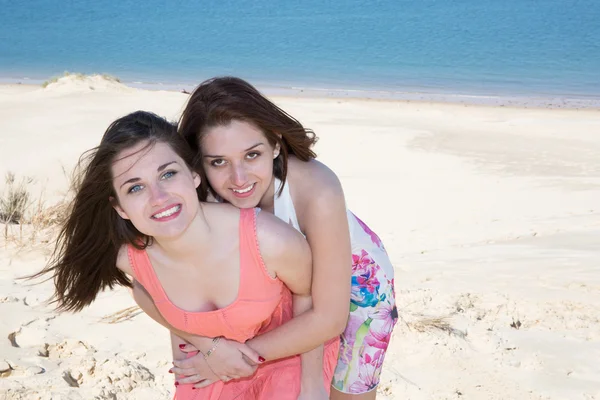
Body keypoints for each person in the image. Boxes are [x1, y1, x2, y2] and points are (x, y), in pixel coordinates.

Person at [33, 111, 339, 399]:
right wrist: (210, 347)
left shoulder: (269, 240)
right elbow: (145, 295)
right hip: (208, 363)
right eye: (135, 187)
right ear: (120, 208)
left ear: (193, 175)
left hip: (287, 352)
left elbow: (309, 297)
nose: (159, 197)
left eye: (167, 174)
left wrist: (311, 384)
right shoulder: (131, 259)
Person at [154, 77, 399, 399]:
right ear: (199, 163)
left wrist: (226, 359)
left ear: (274, 144)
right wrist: (208, 348)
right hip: (285, 287)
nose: (238, 179)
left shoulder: (317, 188)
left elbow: (328, 317)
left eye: (252, 155)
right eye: (219, 162)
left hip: (356, 289)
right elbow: (160, 284)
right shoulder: (199, 197)